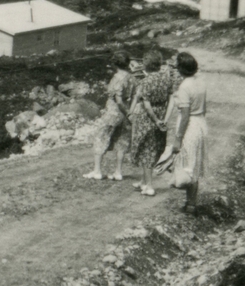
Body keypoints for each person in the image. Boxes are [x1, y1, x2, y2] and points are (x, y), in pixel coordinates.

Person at [84, 51, 134, 180]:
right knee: (122, 140)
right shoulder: (132, 78)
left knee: (101, 136)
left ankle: (97, 170)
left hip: (114, 111)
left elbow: (118, 100)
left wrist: (124, 110)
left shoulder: (117, 78)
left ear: (115, 64)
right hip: (127, 112)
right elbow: (134, 97)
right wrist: (130, 113)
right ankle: (118, 172)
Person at [128, 51, 169, 196]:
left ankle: (149, 185)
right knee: (153, 147)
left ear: (147, 65)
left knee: (146, 150)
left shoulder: (146, 81)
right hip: (162, 113)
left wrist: (154, 119)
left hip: (148, 117)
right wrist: (162, 118)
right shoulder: (165, 78)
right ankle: (144, 181)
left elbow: (147, 104)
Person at [171, 51, 207, 214]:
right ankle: (191, 203)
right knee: (194, 164)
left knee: (187, 165)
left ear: (181, 69)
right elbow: (203, 108)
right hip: (200, 123)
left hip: (190, 125)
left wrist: (178, 138)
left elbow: (185, 115)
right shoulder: (200, 82)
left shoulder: (184, 86)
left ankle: (190, 203)